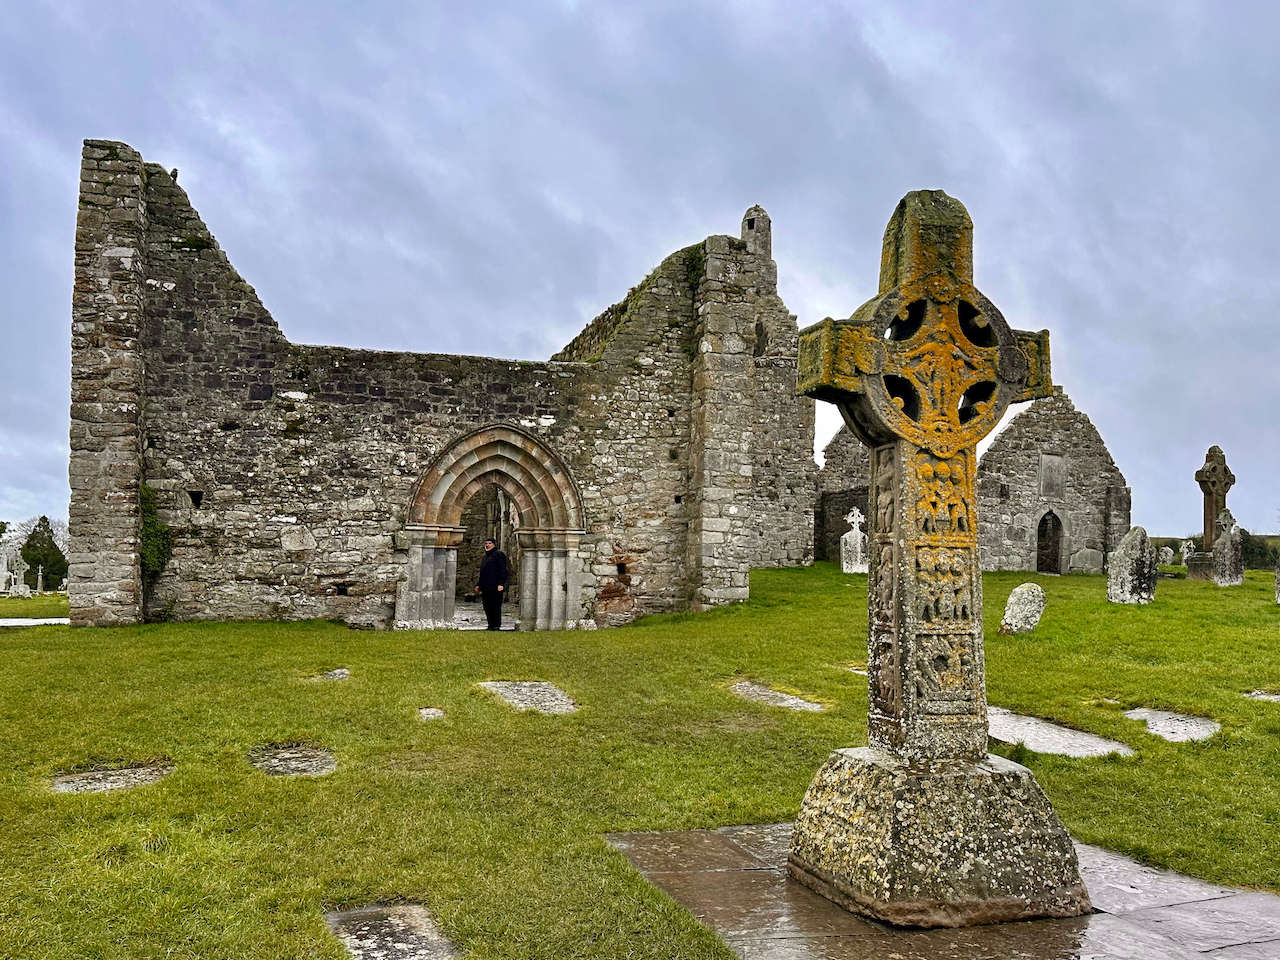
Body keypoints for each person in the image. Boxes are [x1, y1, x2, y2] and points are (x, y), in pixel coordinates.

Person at [476, 537, 509, 630]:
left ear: (494, 544)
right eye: (486, 543)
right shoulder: (485, 557)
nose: (487, 545)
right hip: (486, 586)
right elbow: (482, 572)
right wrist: (478, 584)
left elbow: (503, 570)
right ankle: (490, 624)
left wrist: (501, 583)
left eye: (489, 543)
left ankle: (496, 625)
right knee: (487, 606)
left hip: (495, 586)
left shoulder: (499, 554)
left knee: (495, 606)